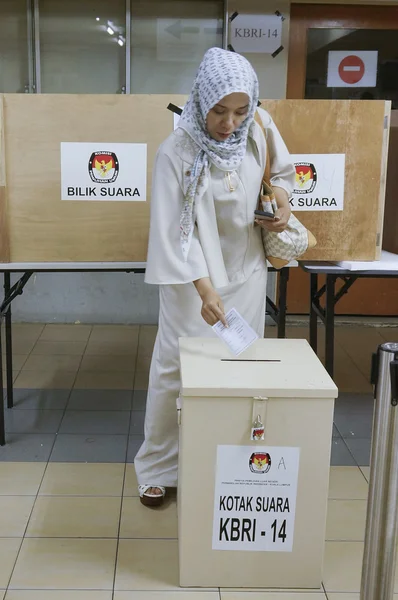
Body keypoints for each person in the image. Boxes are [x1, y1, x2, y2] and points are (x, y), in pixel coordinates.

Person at [134, 47, 295, 507]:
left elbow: (283, 173)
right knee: (176, 370)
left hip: (245, 274)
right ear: (202, 101)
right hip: (192, 284)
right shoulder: (176, 151)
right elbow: (173, 233)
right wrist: (204, 290)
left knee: (238, 365)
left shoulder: (258, 128)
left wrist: (281, 202)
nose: (230, 122)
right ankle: (159, 467)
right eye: (220, 111)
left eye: (241, 110)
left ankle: (222, 462)